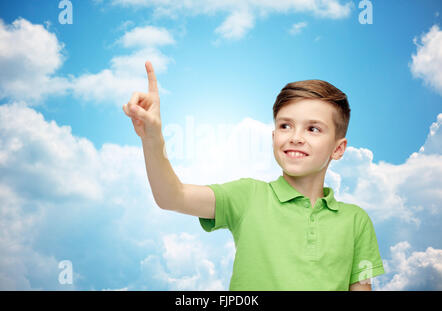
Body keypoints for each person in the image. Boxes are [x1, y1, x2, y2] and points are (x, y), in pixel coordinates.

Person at [122, 61, 385, 291]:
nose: (295, 137)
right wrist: (152, 137)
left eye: (313, 129)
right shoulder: (248, 196)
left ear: (338, 149)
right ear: (274, 137)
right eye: (285, 125)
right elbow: (172, 196)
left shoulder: (356, 222)